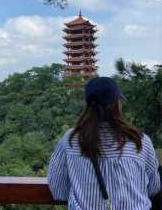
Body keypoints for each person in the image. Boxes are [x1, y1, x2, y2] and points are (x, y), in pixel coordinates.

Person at [47, 77, 161, 210]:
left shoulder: (70, 140)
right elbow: (154, 187)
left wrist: (82, 193)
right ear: (117, 104)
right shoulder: (139, 141)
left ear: (88, 105)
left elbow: (57, 188)